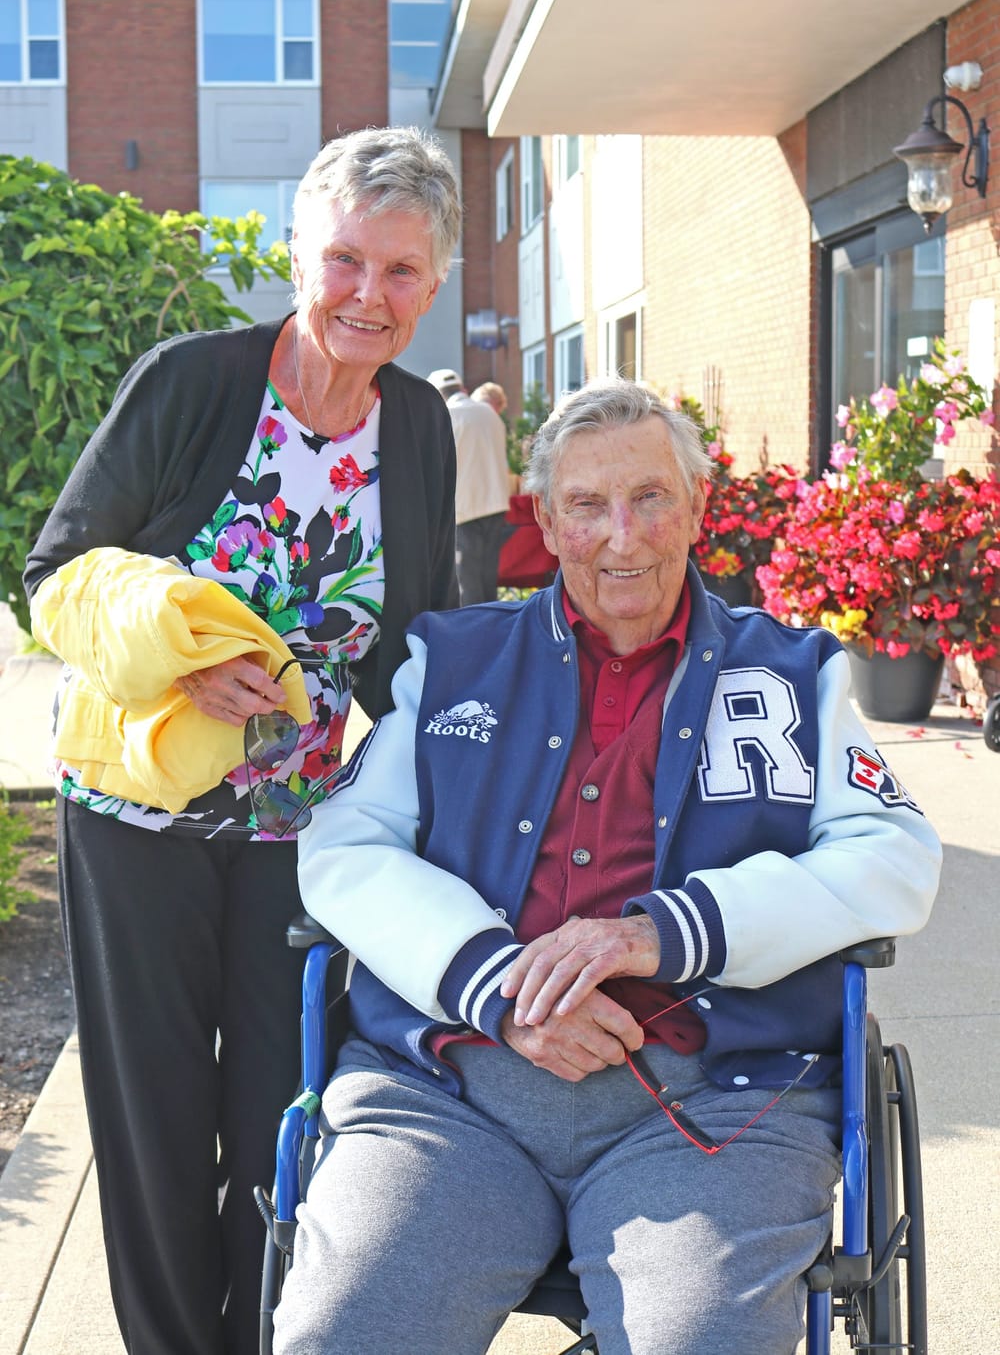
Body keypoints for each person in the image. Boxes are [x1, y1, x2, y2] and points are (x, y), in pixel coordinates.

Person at [274, 379, 943, 1355]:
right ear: (543, 519)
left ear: (698, 506)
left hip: (709, 1108)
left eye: (651, 498)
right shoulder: (452, 664)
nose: (621, 537)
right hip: (449, 1100)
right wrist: (493, 983)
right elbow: (341, 845)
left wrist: (661, 931)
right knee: (343, 1336)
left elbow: (895, 854)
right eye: (586, 505)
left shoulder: (793, 675)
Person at [22, 125, 462, 1355]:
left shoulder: (417, 427)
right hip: (137, 818)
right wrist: (178, 652)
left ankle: (265, 1336)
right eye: (343, 262)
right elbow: (56, 570)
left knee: (284, 1103)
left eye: (400, 273)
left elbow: (417, 640)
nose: (366, 296)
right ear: (298, 256)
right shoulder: (195, 382)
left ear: (431, 287)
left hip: (302, 824)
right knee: (156, 1118)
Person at [427, 367, 510, 604]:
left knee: (468, 580)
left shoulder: (446, 414)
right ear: (460, 388)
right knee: (487, 576)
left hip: (465, 508)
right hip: (495, 504)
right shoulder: (488, 412)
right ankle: (494, 629)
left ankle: (476, 634)